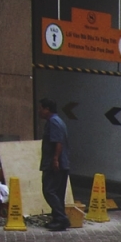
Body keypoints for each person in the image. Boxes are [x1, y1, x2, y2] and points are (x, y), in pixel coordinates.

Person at [39, 98, 71, 231]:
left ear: (47, 109)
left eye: (41, 108)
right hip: (61, 163)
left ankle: (62, 218)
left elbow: (58, 142)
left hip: (55, 164)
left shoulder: (53, 122)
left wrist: (55, 159)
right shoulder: (57, 121)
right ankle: (57, 219)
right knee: (58, 193)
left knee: (49, 190)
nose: (40, 111)